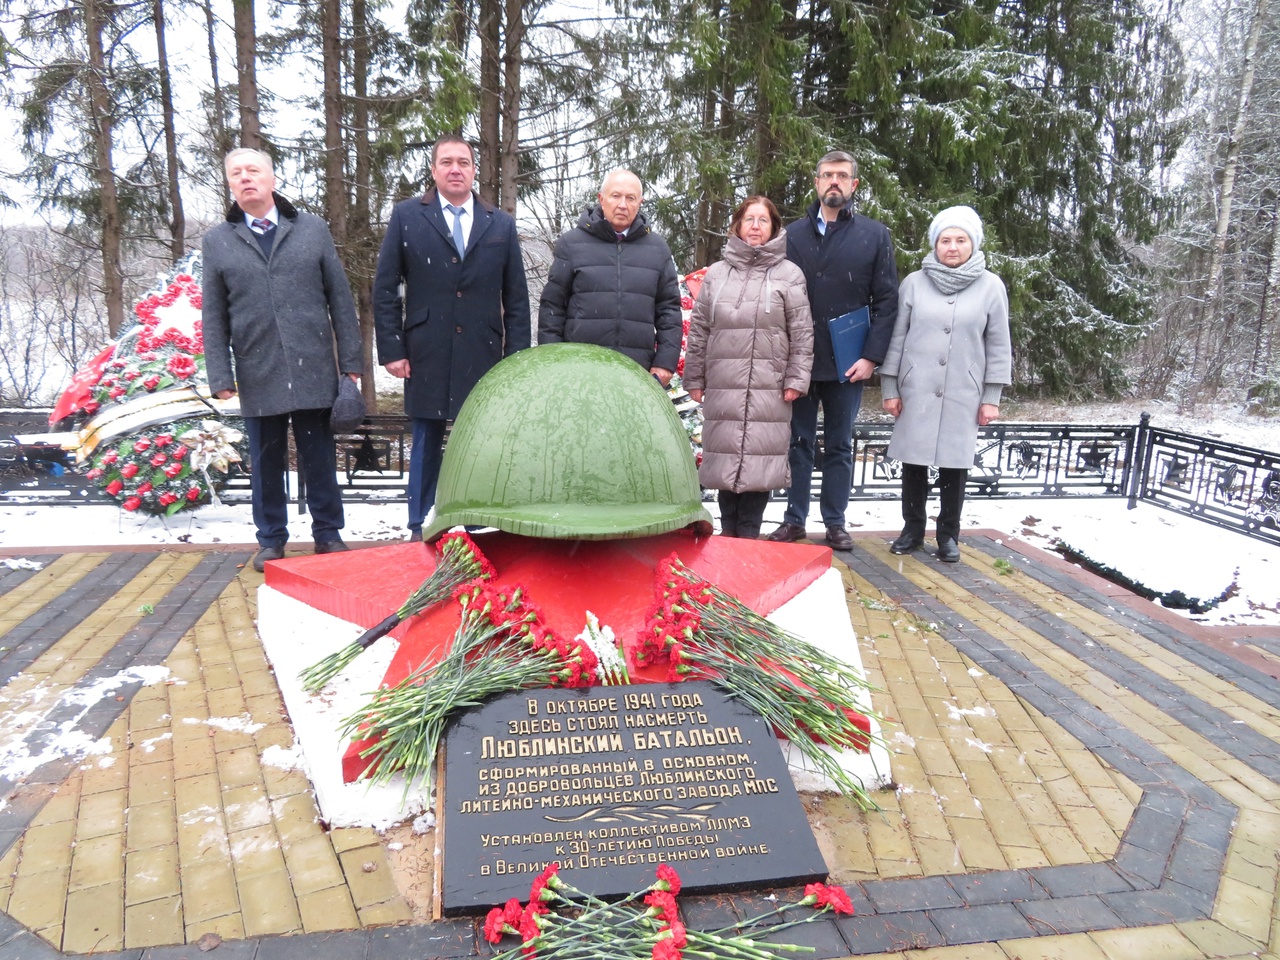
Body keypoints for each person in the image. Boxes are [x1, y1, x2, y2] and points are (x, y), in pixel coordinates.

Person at [203, 147, 364, 573]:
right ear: (230, 185)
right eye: (236, 173)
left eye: (253, 170)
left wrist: (351, 364)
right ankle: (271, 539)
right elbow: (213, 313)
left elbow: (340, 300)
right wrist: (220, 372)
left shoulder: (311, 229)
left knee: (319, 456)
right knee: (265, 462)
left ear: (272, 180)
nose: (245, 178)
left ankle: (328, 533)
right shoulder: (217, 241)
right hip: (258, 368)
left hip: (313, 365)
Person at [373, 135, 531, 540]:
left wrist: (515, 357)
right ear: (434, 170)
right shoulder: (407, 216)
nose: (455, 168)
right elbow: (386, 287)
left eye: (463, 162)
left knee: (477, 437)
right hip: (426, 348)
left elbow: (515, 298)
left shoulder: (499, 223)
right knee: (425, 436)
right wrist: (391, 348)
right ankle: (419, 522)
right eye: (447, 162)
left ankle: (477, 520)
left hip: (482, 350)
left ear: (475, 170)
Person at [767, 150, 899, 551]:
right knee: (798, 444)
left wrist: (871, 358)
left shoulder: (874, 235)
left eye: (843, 175)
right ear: (816, 181)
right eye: (828, 175)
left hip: (849, 363)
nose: (835, 182)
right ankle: (794, 520)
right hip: (801, 361)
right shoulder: (790, 235)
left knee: (840, 445)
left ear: (854, 184)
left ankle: (836, 523)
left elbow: (887, 301)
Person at [880, 205, 1012, 562]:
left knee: (956, 464)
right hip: (916, 389)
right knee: (913, 463)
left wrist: (991, 397)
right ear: (935, 244)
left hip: (963, 392)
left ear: (974, 244)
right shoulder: (913, 283)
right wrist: (890, 388)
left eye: (960, 240)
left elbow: (999, 343)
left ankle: (948, 535)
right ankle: (911, 530)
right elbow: (896, 338)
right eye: (945, 240)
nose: (952, 247)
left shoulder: (990, 287)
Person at [683, 197, 813, 539]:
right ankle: (728, 537)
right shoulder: (717, 274)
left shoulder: (789, 274)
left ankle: (749, 538)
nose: (755, 226)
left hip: (769, 387)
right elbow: (699, 330)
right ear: (738, 225)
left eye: (763, 220)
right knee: (724, 461)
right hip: (724, 384)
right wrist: (694, 375)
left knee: (759, 462)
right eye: (749, 219)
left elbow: (801, 332)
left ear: (773, 228)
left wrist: (797, 379)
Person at [538, 169, 682, 386]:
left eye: (630, 198)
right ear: (601, 199)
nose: (623, 204)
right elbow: (553, 306)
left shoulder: (657, 249)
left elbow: (669, 310)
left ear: (639, 203)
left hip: (637, 372)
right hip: (579, 370)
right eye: (616, 196)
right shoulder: (572, 244)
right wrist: (553, 359)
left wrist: (664, 362)